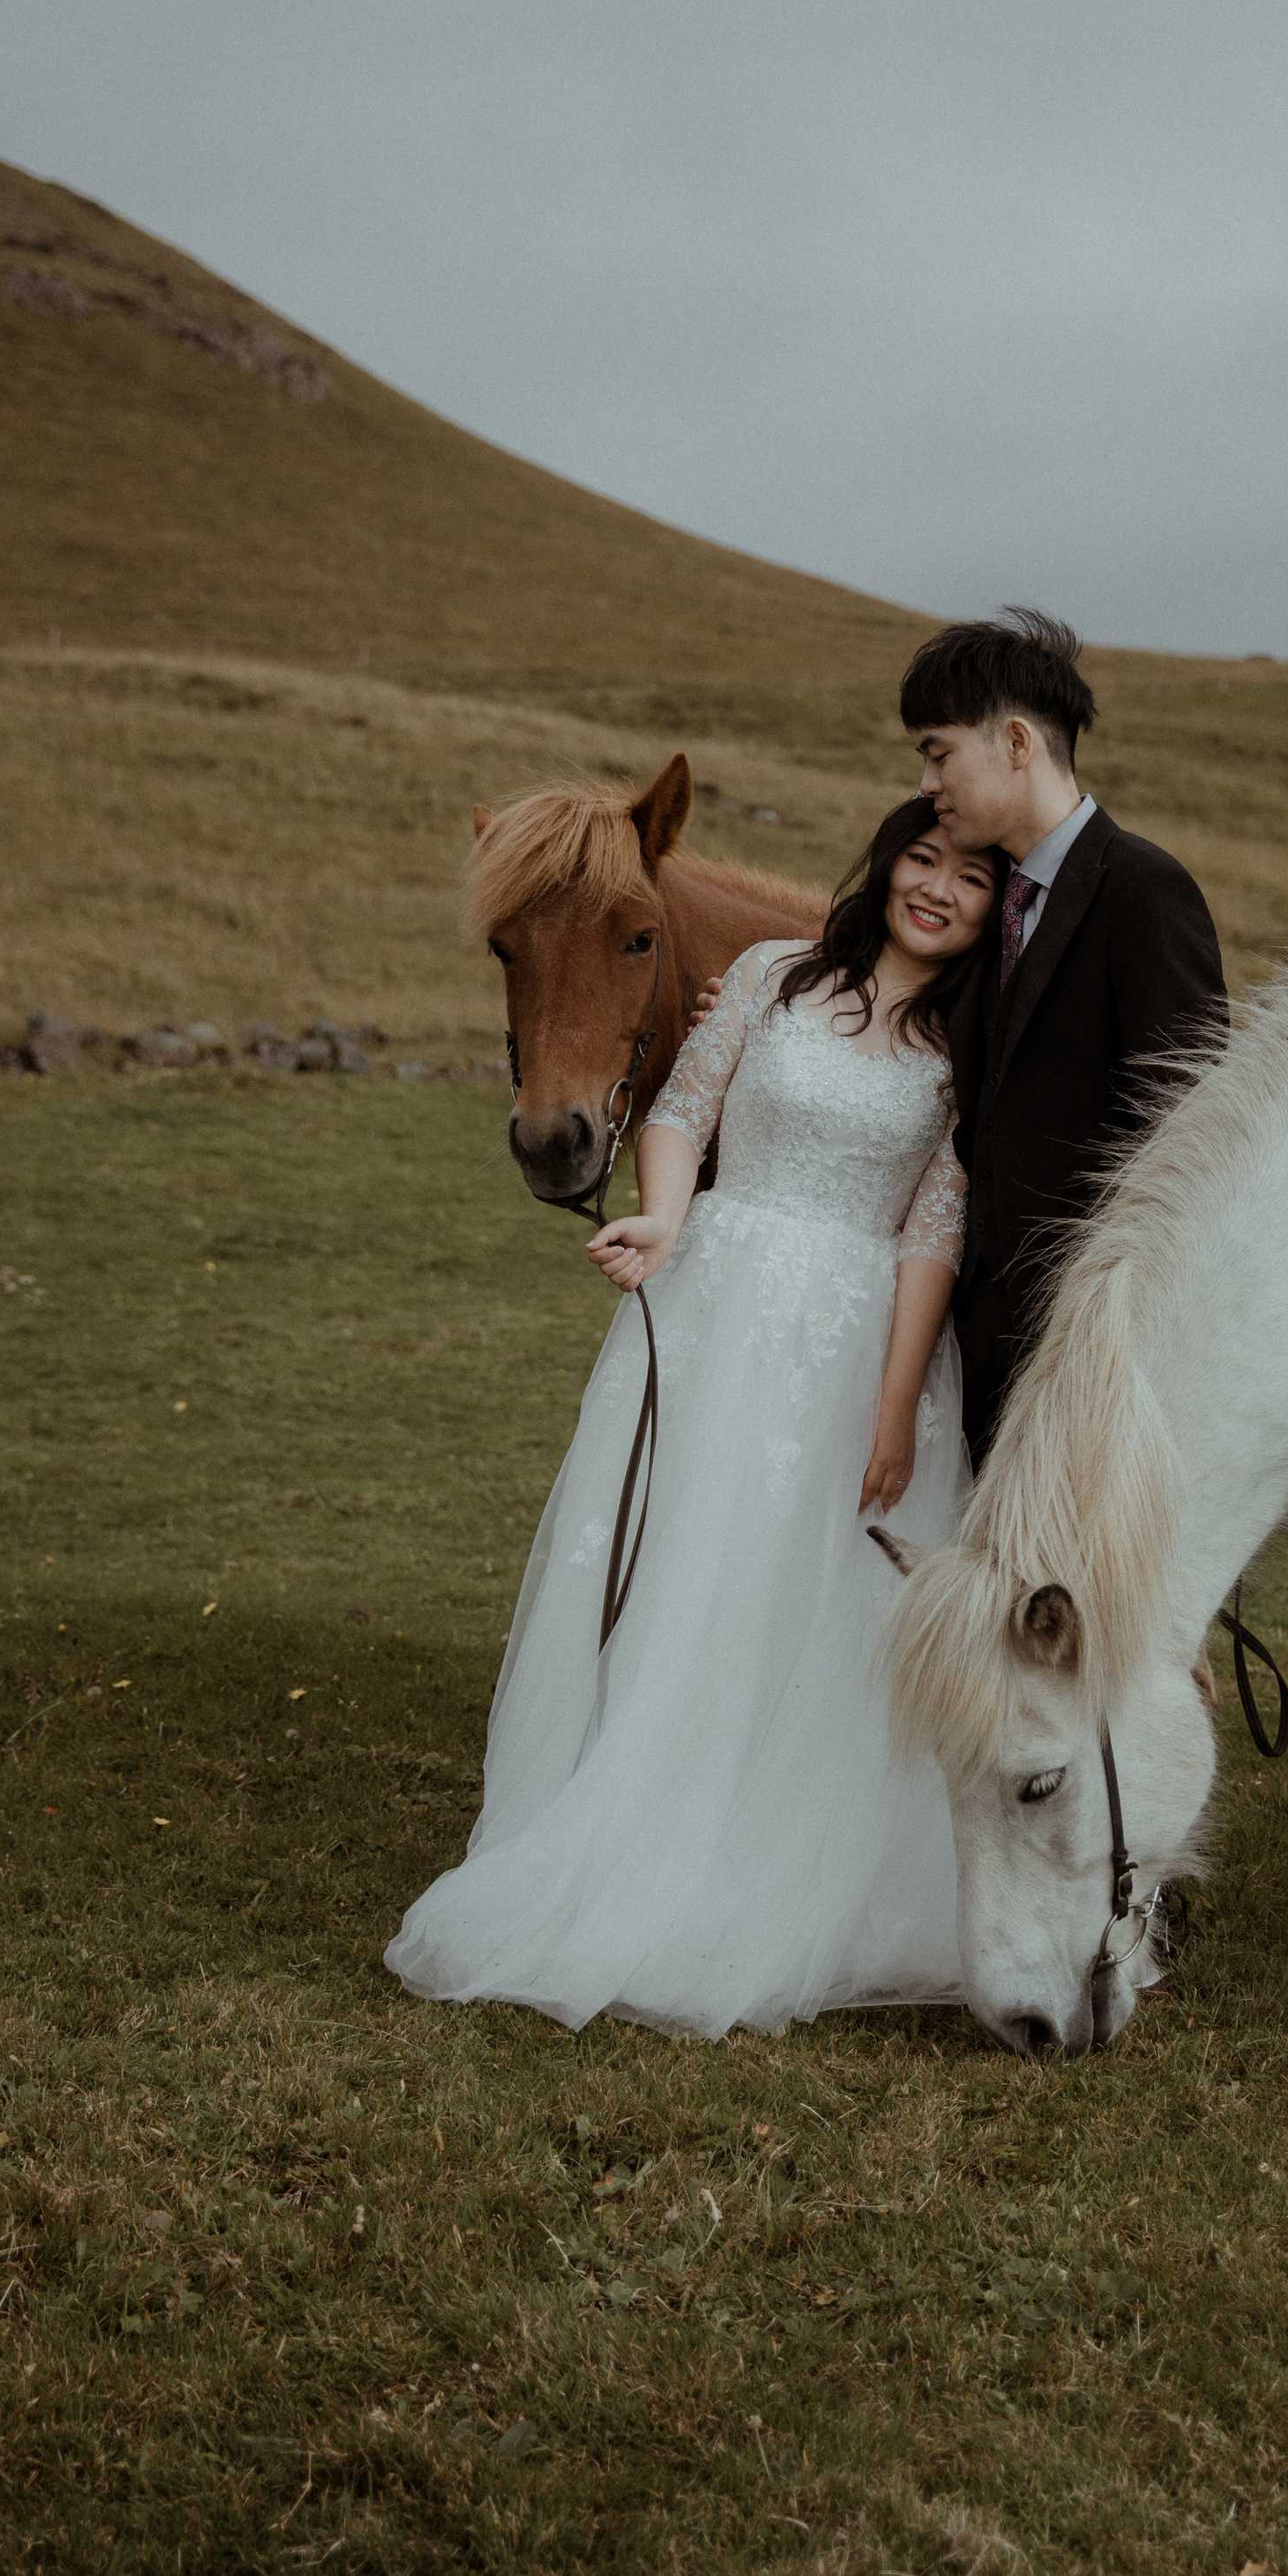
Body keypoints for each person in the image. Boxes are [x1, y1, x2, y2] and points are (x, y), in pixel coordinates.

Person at [383, 801, 1004, 2037]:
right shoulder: (774, 975)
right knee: (684, 1572)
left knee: (811, 1596)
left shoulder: (966, 1044)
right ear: (885, 865)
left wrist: (894, 1404)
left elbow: (937, 1223)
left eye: (971, 879)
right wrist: (667, 1220)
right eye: (922, 861)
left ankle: (782, 1860)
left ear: (996, 907)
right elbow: (681, 1111)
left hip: (850, 1334)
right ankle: (636, 1829)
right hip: (719, 1300)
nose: (937, 890)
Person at [901, 609, 1228, 1464]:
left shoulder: (1144, 891)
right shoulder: (986, 898)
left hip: (1097, 1360)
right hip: (980, 1347)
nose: (927, 784)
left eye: (938, 754)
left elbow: (1192, 1134)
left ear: (1015, 742)